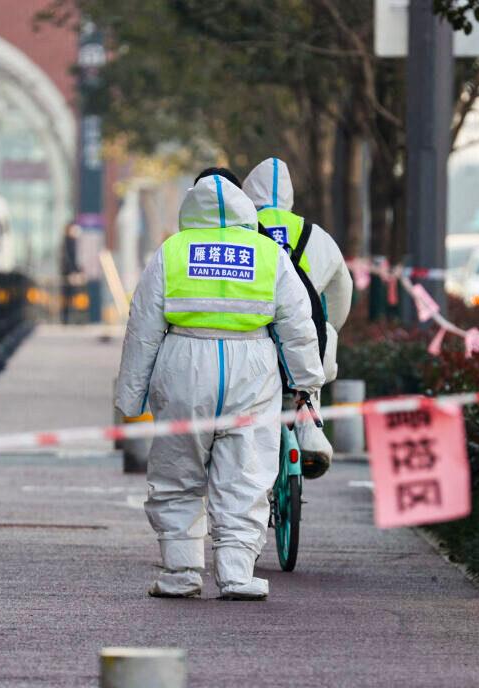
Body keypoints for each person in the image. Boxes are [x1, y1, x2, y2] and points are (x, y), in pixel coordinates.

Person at [115, 174, 324, 600]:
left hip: (184, 365)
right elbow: (298, 326)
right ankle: (236, 574)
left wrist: (130, 397)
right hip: (253, 369)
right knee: (246, 475)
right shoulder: (268, 255)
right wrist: (307, 384)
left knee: (178, 472)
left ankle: (181, 572)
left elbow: (143, 328)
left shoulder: (172, 252)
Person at [242, 158, 352, 480]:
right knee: (309, 361)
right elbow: (340, 293)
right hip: (306, 344)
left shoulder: (241, 232)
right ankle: (310, 434)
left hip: (254, 342)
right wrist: (330, 328)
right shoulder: (317, 236)